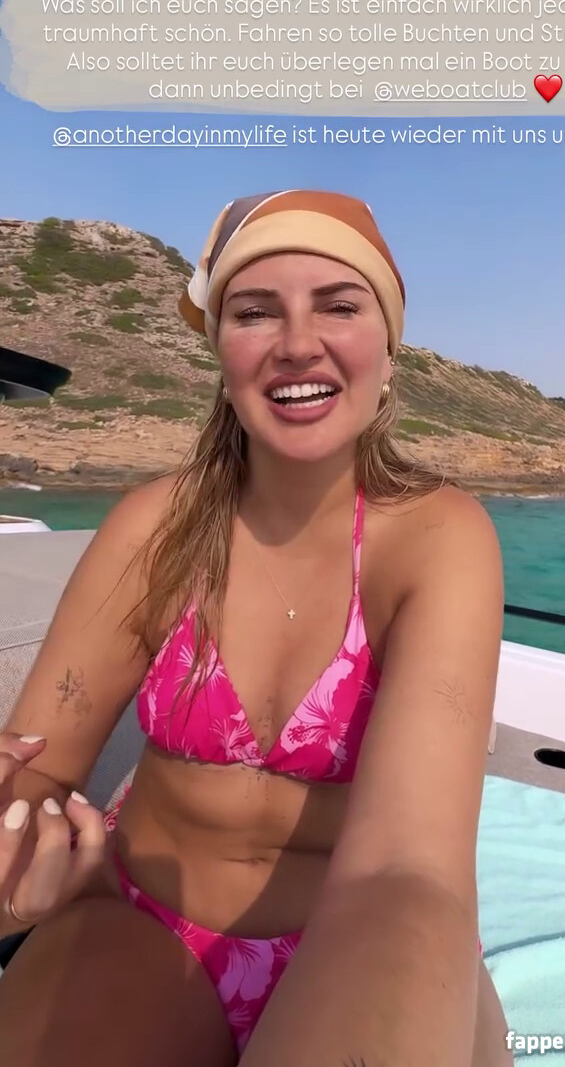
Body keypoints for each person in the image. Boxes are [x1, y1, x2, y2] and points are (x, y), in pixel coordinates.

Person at [0, 189, 511, 1066]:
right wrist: (23, 845)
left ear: (388, 352)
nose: (298, 343)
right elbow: (37, 762)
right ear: (221, 352)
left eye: (339, 307)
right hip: (142, 923)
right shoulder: (154, 530)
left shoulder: (439, 537)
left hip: (363, 933)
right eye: (255, 312)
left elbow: (407, 870)